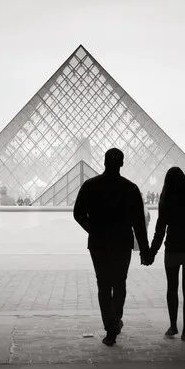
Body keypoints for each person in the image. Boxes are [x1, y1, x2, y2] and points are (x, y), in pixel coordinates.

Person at [72, 147, 152, 346]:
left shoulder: (90, 186)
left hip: (99, 243)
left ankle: (110, 328)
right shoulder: (130, 188)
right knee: (120, 283)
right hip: (122, 242)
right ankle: (115, 320)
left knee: (103, 285)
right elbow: (139, 224)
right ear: (122, 163)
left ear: (104, 161)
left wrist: (93, 230)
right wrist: (144, 249)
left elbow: (77, 214)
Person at [146, 166, 185, 342]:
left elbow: (160, 230)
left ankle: (173, 325)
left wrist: (152, 252)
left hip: (173, 249)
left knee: (172, 288)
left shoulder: (167, 201)